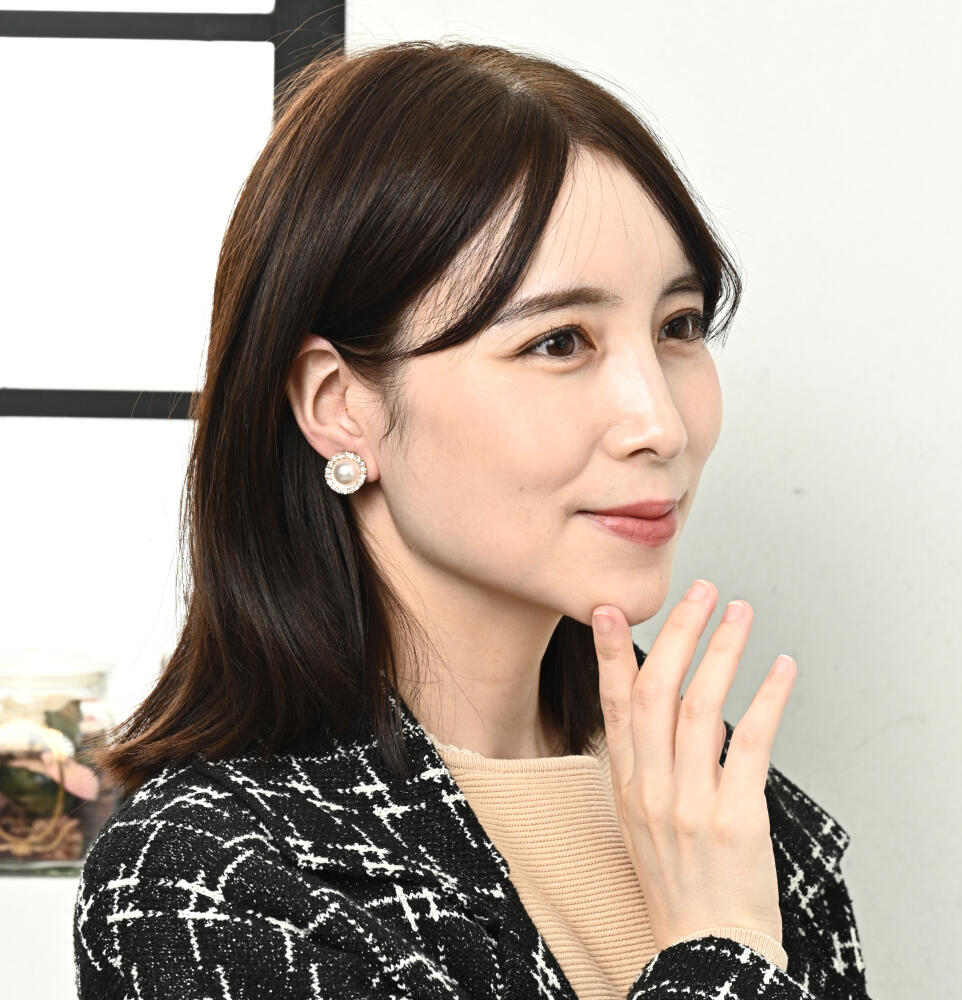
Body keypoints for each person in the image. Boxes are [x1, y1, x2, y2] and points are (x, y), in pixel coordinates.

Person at [73, 39, 870, 999]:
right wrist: (718, 946)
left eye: (680, 326)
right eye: (560, 342)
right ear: (339, 404)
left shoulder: (721, 802)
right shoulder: (211, 877)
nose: (660, 423)